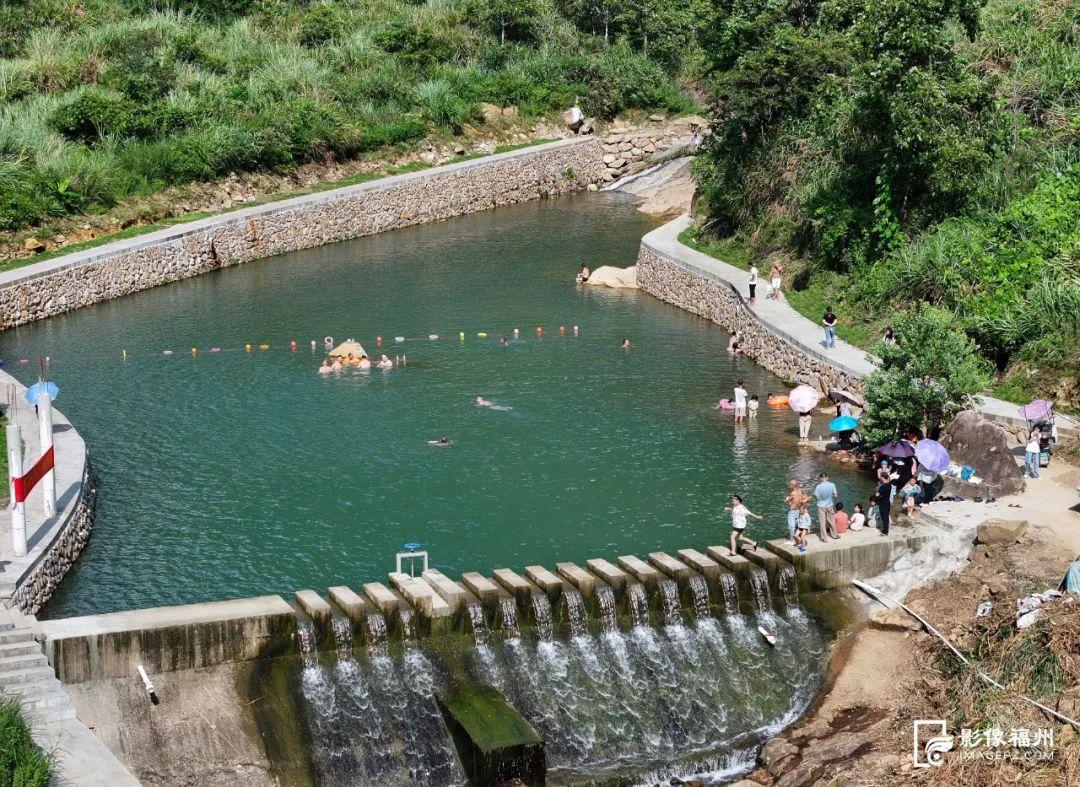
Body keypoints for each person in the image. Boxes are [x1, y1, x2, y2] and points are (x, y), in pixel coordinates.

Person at [813, 472, 839, 542]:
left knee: (822, 523)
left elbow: (817, 497)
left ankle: (824, 538)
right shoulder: (832, 485)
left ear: (820, 478)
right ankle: (835, 535)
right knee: (831, 521)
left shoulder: (818, 487)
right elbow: (835, 495)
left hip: (821, 506)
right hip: (830, 505)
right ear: (827, 478)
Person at [785, 480, 805, 545]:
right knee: (797, 525)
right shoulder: (800, 491)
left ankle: (791, 540)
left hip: (792, 511)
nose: (789, 485)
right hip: (798, 511)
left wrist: (786, 500)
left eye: (790, 484)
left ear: (793, 485)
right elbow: (801, 500)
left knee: (791, 526)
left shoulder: (793, 493)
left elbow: (787, 501)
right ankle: (797, 538)